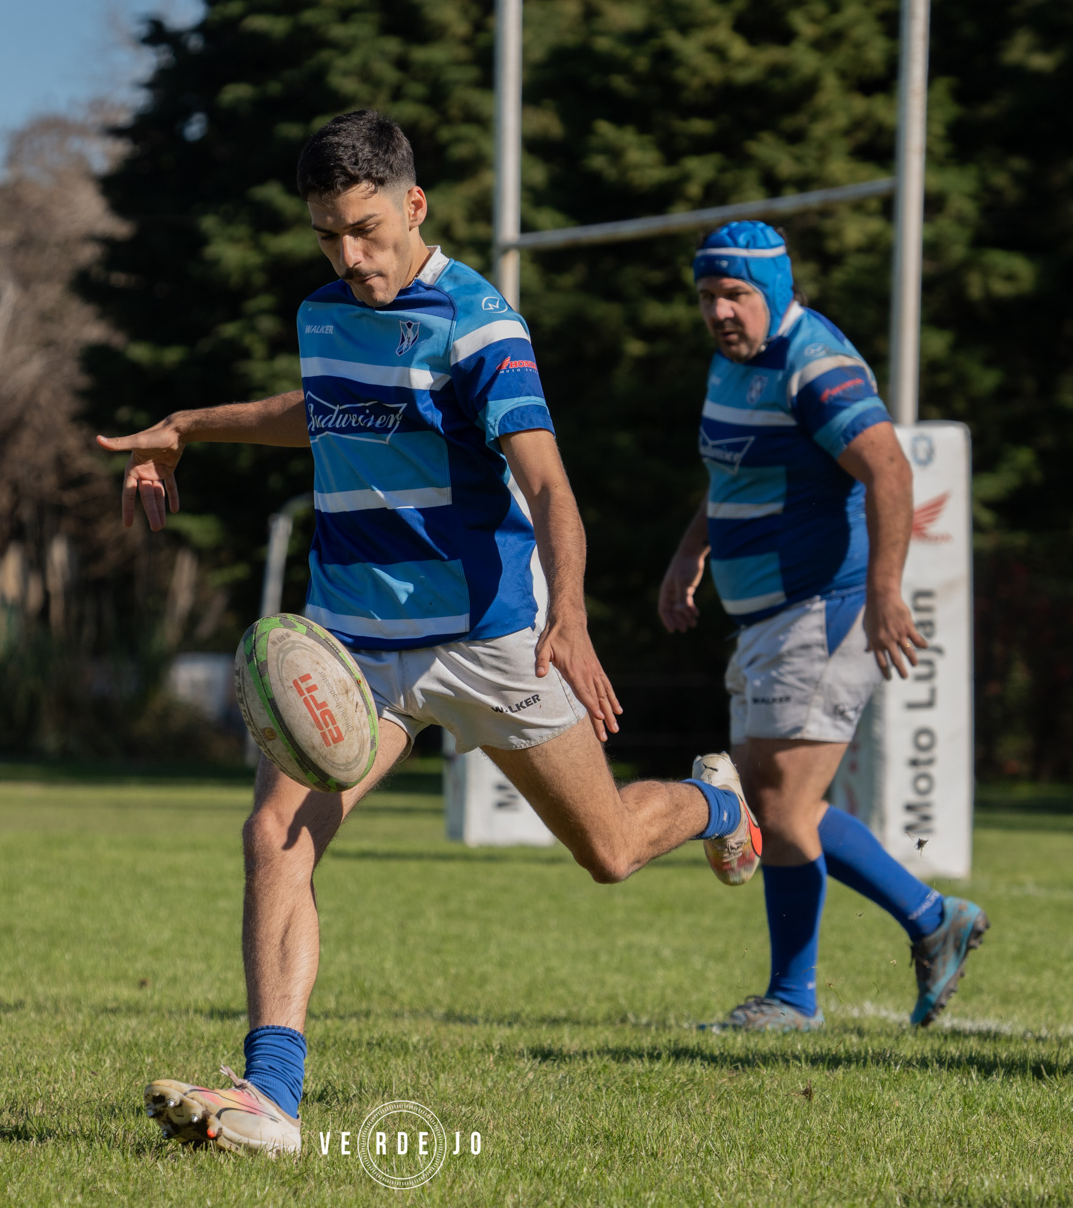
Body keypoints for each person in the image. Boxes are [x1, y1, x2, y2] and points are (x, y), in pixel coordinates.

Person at [98, 110, 760, 1156]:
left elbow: (546, 480)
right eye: (328, 235)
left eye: (366, 229)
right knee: (273, 837)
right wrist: (188, 429)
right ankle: (272, 1096)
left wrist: (572, 615)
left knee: (611, 850)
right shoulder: (326, 308)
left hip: (492, 642)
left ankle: (720, 799)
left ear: (414, 206)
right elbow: (319, 409)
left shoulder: (480, 325)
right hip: (355, 646)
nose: (350, 255)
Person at [657, 221, 988, 1032]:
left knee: (780, 801)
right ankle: (921, 923)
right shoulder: (732, 365)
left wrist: (885, 591)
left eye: (734, 294)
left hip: (823, 608)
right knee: (777, 799)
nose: (719, 311)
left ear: (773, 291)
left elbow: (889, 468)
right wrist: (688, 553)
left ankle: (809, 988)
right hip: (769, 615)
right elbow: (730, 471)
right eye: (707, 296)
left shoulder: (816, 361)